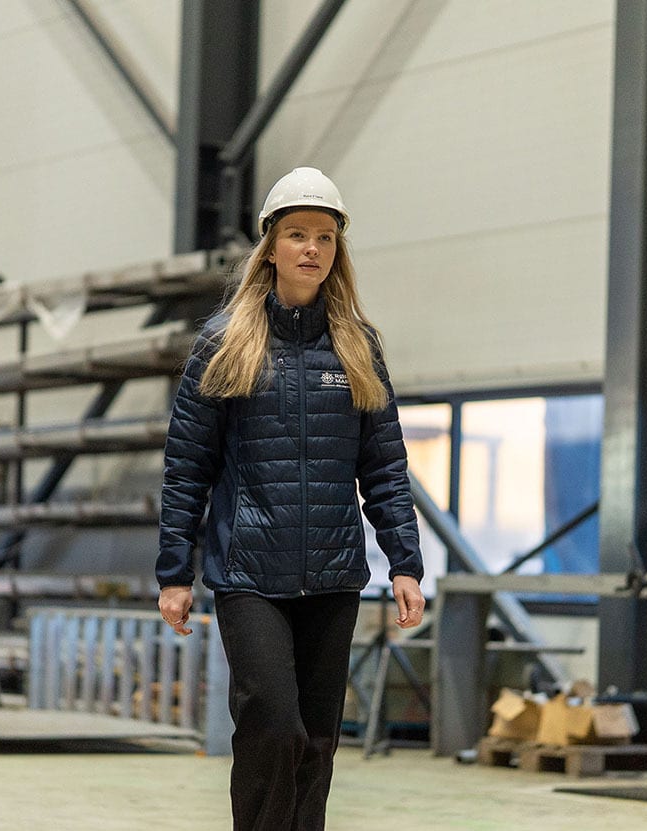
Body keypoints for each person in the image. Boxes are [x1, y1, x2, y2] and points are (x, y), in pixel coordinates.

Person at [156, 166, 425, 830]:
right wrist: (174, 572)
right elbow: (188, 466)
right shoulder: (225, 341)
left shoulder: (359, 348)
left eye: (325, 237)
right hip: (250, 573)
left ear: (338, 251)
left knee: (316, 741)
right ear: (271, 244)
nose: (312, 248)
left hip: (333, 575)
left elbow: (385, 468)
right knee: (273, 723)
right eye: (298, 234)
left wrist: (406, 561)